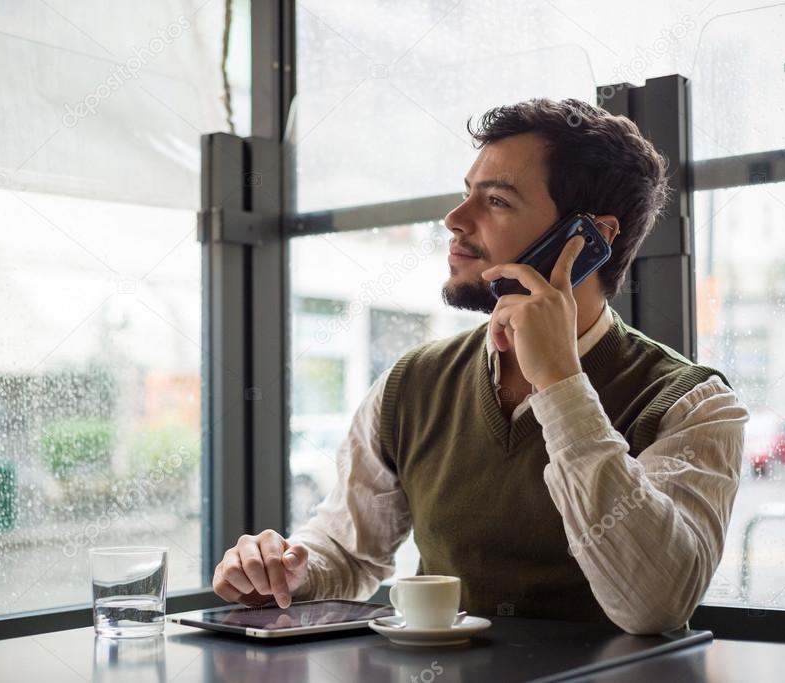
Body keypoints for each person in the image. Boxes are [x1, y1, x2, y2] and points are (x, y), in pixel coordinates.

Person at [211, 97, 749, 635]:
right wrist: (282, 571)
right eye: (466, 194)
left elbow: (655, 605)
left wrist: (562, 386)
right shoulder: (412, 382)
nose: (455, 219)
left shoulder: (692, 403)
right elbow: (349, 553)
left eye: (495, 200)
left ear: (589, 240)